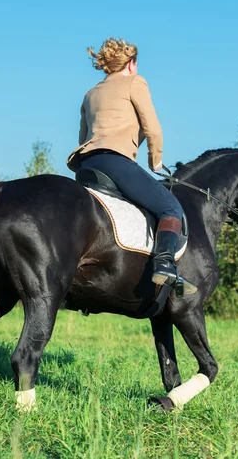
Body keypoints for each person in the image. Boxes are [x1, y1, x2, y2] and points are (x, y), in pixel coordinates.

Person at [67, 37, 196, 295]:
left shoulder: (90, 93)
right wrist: (155, 160)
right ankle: (165, 264)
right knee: (170, 208)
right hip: (116, 162)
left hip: (87, 166)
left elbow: (83, 138)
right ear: (132, 63)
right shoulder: (135, 82)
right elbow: (153, 128)